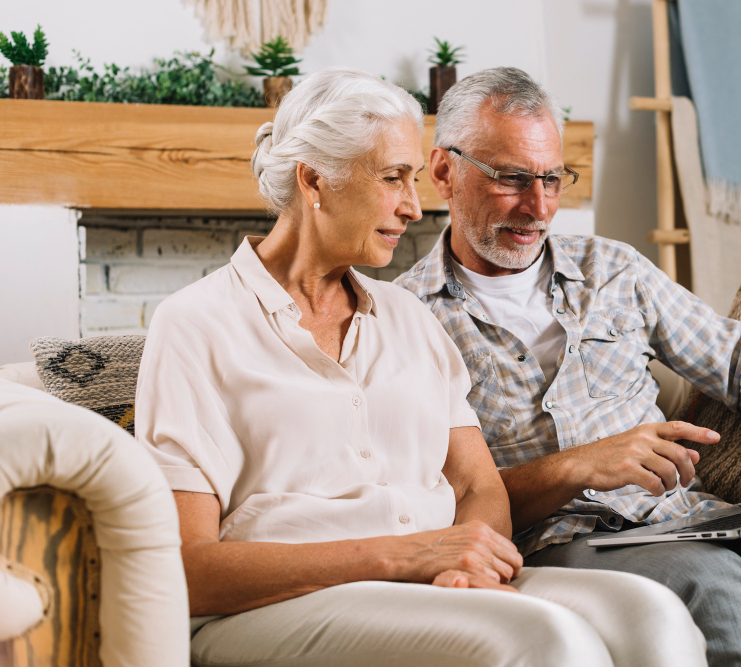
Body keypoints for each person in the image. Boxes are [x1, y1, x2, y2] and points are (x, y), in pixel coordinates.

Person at [134, 67, 707, 667]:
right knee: (544, 642)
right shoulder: (196, 325)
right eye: (392, 179)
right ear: (313, 180)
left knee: (652, 616)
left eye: (413, 179)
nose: (413, 207)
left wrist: (470, 568)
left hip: (431, 583)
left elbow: (478, 486)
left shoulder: (409, 318)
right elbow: (186, 567)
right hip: (274, 609)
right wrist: (408, 554)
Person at [395, 67, 741, 667]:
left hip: (683, 517)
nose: (539, 206)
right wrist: (578, 466)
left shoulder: (612, 270)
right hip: (560, 541)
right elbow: (437, 500)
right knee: (713, 583)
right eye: (512, 179)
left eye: (552, 179)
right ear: (443, 172)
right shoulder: (405, 318)